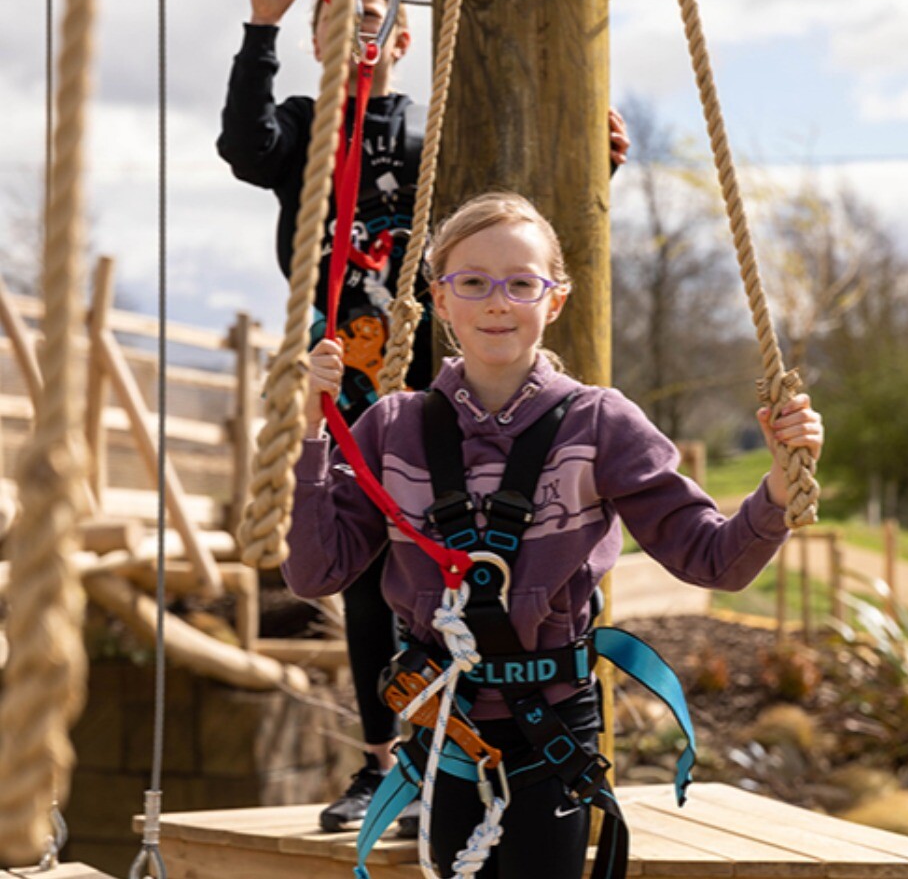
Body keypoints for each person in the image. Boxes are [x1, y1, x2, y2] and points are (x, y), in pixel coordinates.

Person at [284, 191, 824, 878]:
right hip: (449, 734)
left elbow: (712, 558)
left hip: (553, 731)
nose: (497, 303)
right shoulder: (394, 430)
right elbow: (316, 573)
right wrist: (310, 431)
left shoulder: (599, 427)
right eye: (472, 283)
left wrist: (778, 488)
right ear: (440, 302)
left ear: (555, 300)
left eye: (521, 284)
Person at [218, 0, 632, 838]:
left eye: (373, 18)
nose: (357, 33)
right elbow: (245, 148)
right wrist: (264, 24)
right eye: (338, 22)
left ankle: (510, 744)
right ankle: (385, 764)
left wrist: (581, 150)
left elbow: (503, 222)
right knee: (365, 578)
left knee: (479, 565)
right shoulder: (305, 126)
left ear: (403, 37)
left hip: (426, 391)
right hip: (346, 386)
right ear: (318, 40)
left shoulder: (429, 135)